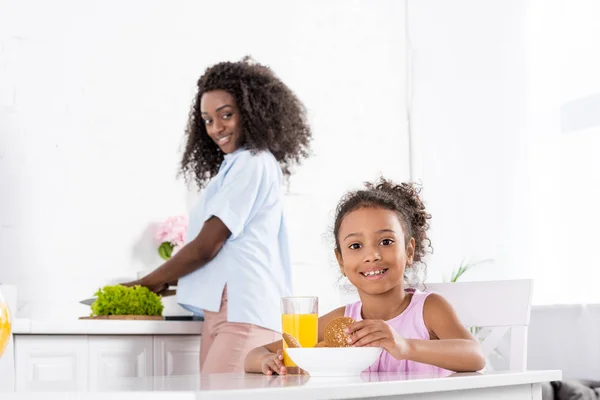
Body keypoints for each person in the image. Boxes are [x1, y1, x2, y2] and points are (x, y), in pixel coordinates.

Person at [125, 57, 312, 373]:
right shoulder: (234, 166)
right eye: (207, 120)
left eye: (225, 115)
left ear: (252, 112)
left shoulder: (254, 162)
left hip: (244, 311)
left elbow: (207, 245)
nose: (216, 128)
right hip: (223, 313)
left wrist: (147, 283)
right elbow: (224, 253)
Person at [245, 178, 485, 375]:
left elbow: (475, 356)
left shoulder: (428, 310)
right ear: (340, 261)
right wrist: (268, 361)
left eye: (386, 241)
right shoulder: (343, 321)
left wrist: (404, 346)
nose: (372, 255)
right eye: (356, 246)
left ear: (409, 251)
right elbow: (254, 355)